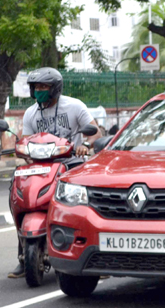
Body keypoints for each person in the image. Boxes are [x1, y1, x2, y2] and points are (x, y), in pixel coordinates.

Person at [8, 67, 98, 278]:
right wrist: (23, 151)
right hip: (41, 166)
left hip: (71, 162)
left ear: (55, 88)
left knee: (83, 205)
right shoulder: (31, 112)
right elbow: (26, 139)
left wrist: (84, 144)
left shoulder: (74, 106)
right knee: (17, 195)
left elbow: (95, 131)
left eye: (43, 87)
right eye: (36, 87)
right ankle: (23, 252)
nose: (39, 91)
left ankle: (91, 254)